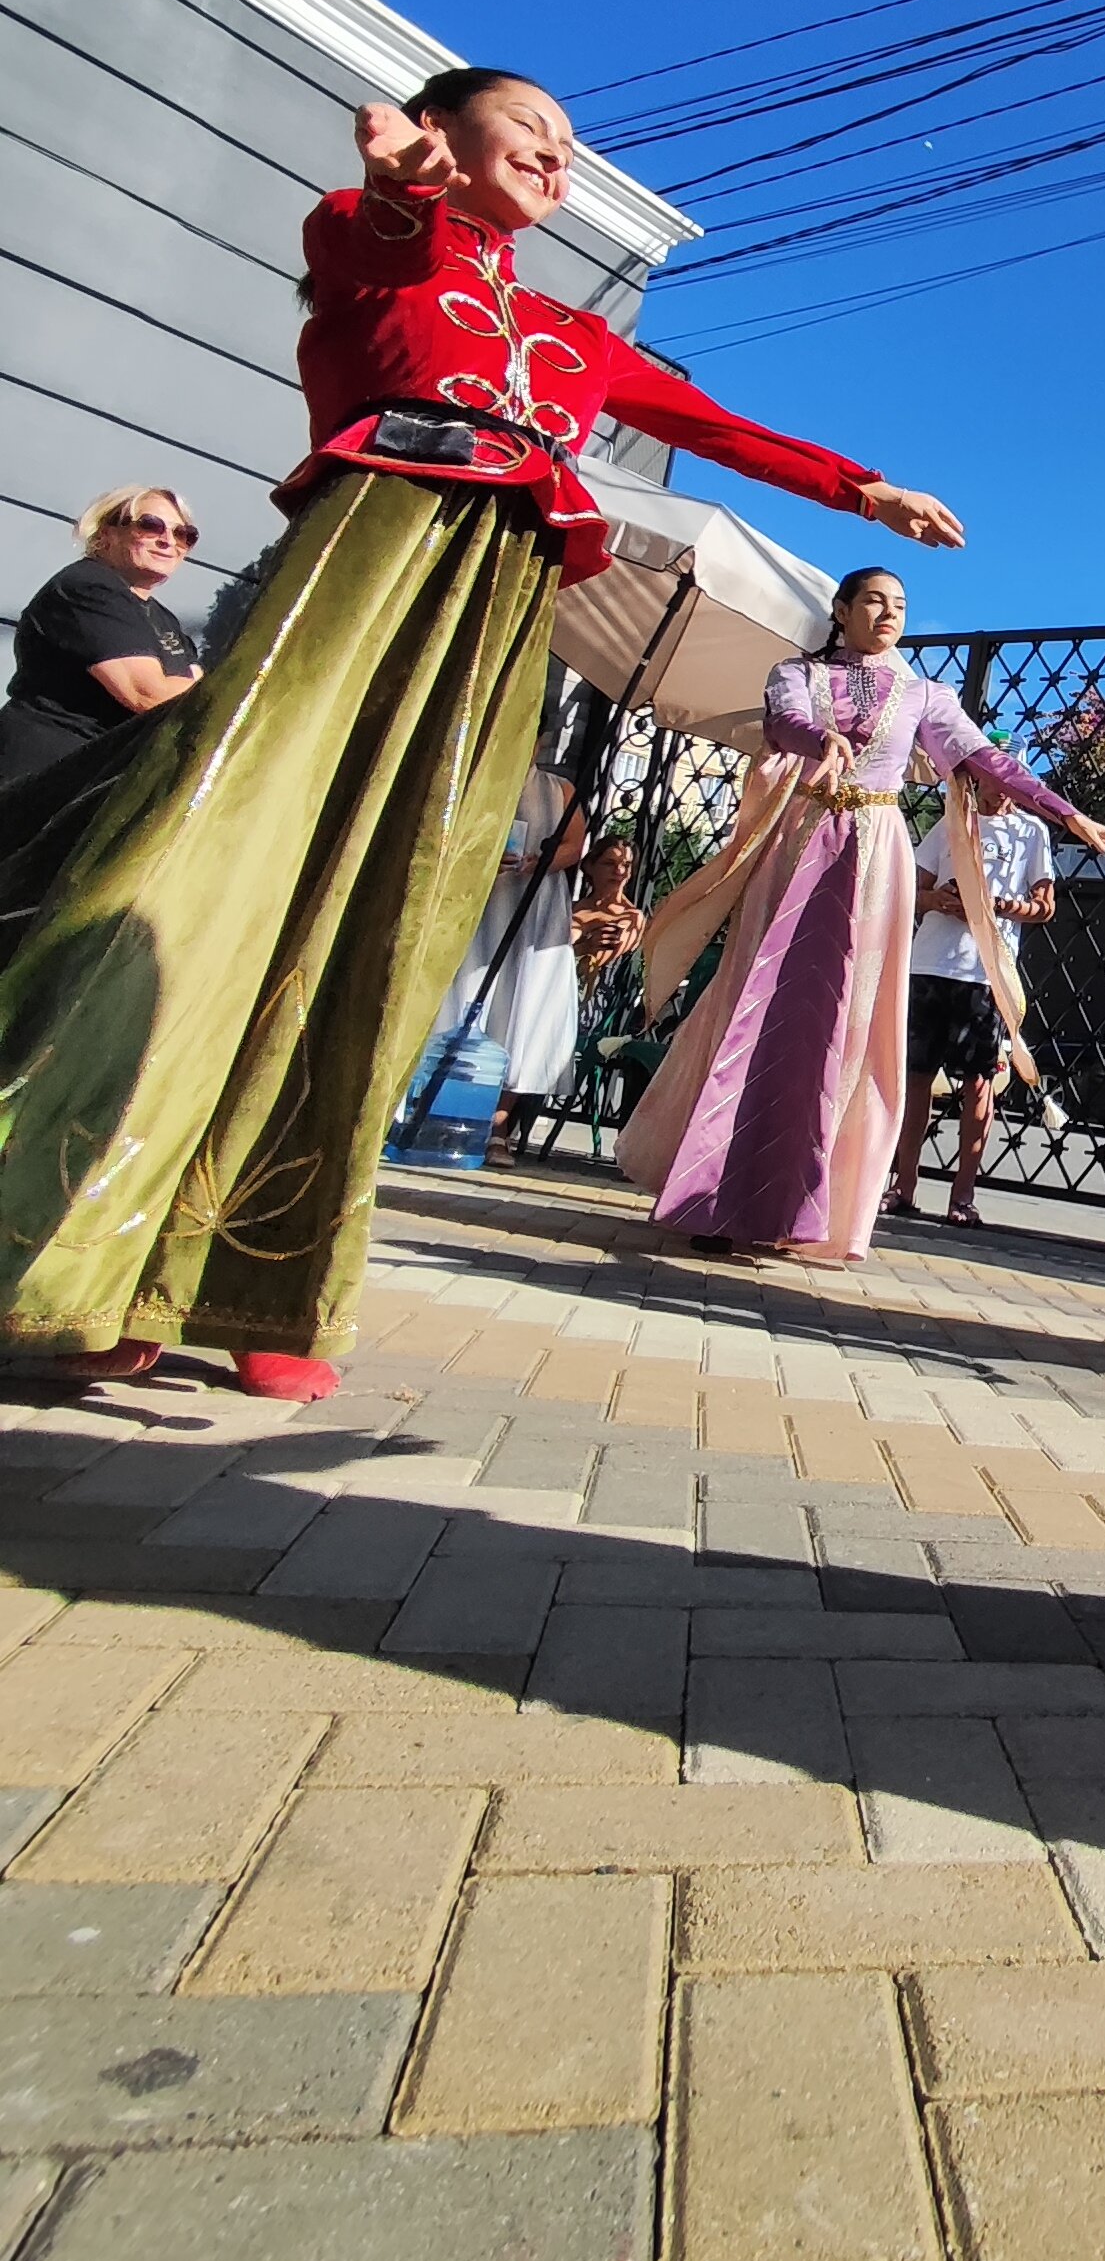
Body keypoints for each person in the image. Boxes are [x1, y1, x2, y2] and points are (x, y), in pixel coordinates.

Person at [0, 71, 960, 1403]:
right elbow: (363, 230)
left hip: (498, 601)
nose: (561, 158)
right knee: (223, 874)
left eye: (573, 146)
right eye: (534, 133)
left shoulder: (573, 335)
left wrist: (863, 486)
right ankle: (86, 1248)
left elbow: (713, 429)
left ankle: (257, 1266)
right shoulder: (374, 241)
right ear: (441, 131)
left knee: (394, 914)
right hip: (365, 570)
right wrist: (406, 185)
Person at [619, 569, 1105, 1261]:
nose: (889, 614)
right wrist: (819, 742)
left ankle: (805, 1206)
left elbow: (981, 758)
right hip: (800, 843)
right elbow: (782, 721)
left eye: (901, 605)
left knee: (846, 1022)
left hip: (873, 853)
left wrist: (1066, 813)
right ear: (842, 609)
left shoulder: (924, 694)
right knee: (763, 1007)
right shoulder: (798, 673)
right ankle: (718, 1194)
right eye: (875, 601)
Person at [885, 752, 1057, 1227]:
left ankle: (963, 1196)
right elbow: (910, 892)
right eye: (986, 779)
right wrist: (938, 900)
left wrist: (1000, 906)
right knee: (916, 1077)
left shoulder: (1030, 834)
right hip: (929, 965)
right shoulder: (950, 827)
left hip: (984, 973)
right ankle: (903, 1186)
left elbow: (1045, 907)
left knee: (980, 1082)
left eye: (1006, 781)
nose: (995, 790)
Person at [431, 723, 587, 1157]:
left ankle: (498, 1125)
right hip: (480, 907)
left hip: (534, 912)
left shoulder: (558, 789)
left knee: (523, 1009)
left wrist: (548, 859)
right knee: (463, 1000)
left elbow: (576, 843)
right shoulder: (477, 778)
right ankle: (439, 1113)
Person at [0, 487, 203, 789]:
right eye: (150, 525)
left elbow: (199, 689)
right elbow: (150, 694)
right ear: (106, 534)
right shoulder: (87, 587)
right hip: (39, 780)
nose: (168, 541)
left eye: (184, 534)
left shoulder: (164, 620)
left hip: (94, 780)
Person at [571, 836, 648, 986]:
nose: (619, 871)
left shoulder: (631, 918)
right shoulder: (570, 906)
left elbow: (590, 964)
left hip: (586, 1000)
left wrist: (582, 946)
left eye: (626, 865)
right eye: (609, 863)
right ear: (590, 866)